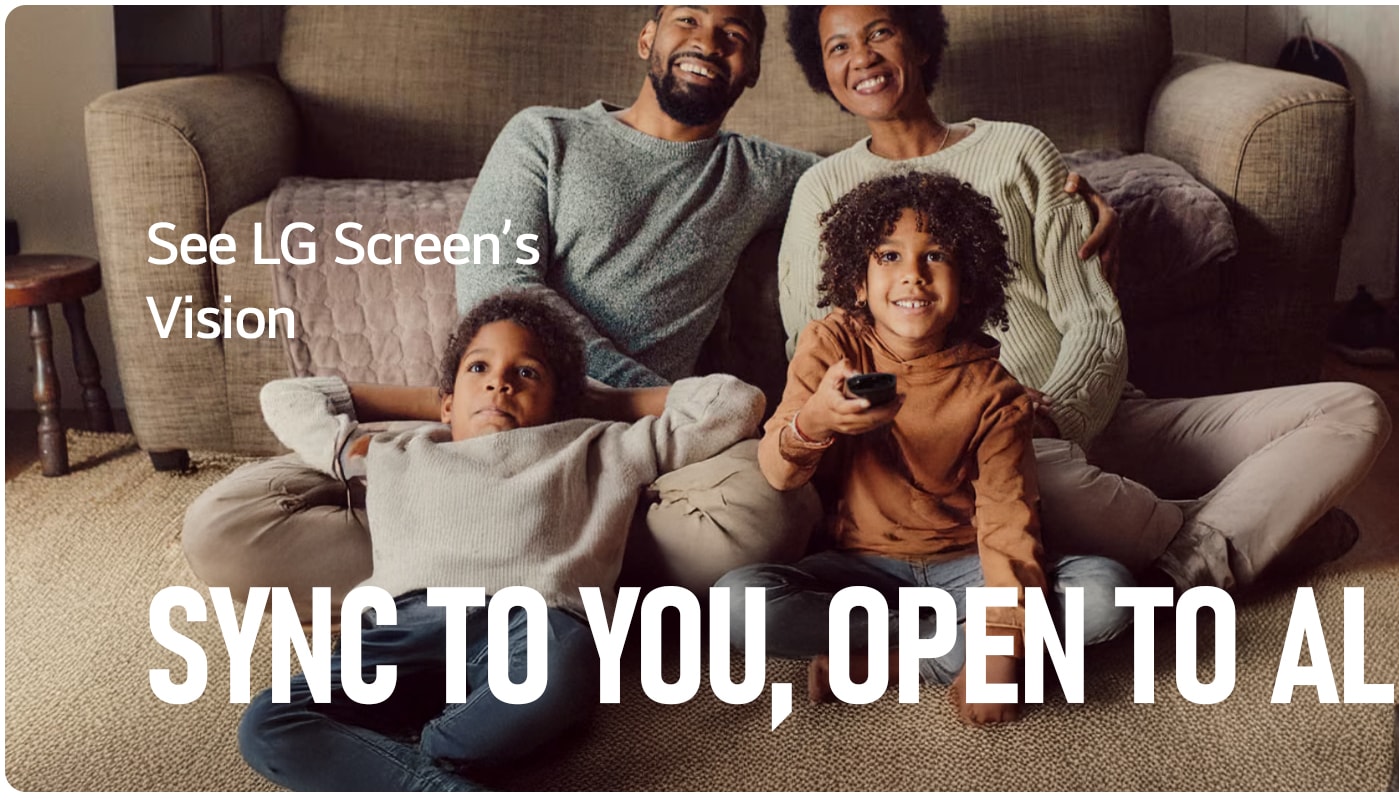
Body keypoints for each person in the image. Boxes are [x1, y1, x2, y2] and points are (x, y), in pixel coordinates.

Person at [184, 6, 823, 617]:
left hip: (616, 451)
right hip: (493, 422)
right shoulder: (546, 134)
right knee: (224, 527)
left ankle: (484, 567)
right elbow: (497, 288)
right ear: (646, 39)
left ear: (754, 69)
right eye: (688, 20)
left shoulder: (761, 172)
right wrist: (561, 394)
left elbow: (872, 180)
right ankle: (546, 570)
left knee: (774, 512)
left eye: (733, 35)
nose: (708, 42)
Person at [778, 6, 1392, 592]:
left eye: (879, 33)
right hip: (978, 451)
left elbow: (1092, 316)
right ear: (822, 71)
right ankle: (1246, 533)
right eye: (839, 47)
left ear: (920, 42)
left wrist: (1059, 414)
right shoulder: (821, 190)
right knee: (1039, 474)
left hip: (1099, 413)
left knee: (1354, 409)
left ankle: (1185, 561)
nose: (862, 57)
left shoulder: (1021, 150)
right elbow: (818, 345)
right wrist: (1002, 431)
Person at [237, 290, 766, 791]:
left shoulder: (600, 444)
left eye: (527, 372)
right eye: (479, 368)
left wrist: (598, 403)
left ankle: (426, 758)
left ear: (563, 401)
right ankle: (442, 780)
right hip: (399, 632)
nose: (499, 384)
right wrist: (441, 403)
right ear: (447, 400)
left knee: (559, 668)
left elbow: (734, 402)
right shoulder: (393, 450)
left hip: (530, 623)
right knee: (267, 723)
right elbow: (287, 397)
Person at [717, 173, 1134, 728]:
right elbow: (778, 472)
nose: (912, 273)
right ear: (858, 282)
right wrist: (815, 419)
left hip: (970, 571)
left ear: (966, 283)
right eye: (888, 255)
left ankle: (888, 662)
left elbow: (1009, 519)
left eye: (935, 255)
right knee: (734, 605)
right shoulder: (833, 343)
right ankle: (952, 649)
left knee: (1109, 595)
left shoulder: (995, 391)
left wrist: (1003, 643)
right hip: (862, 570)